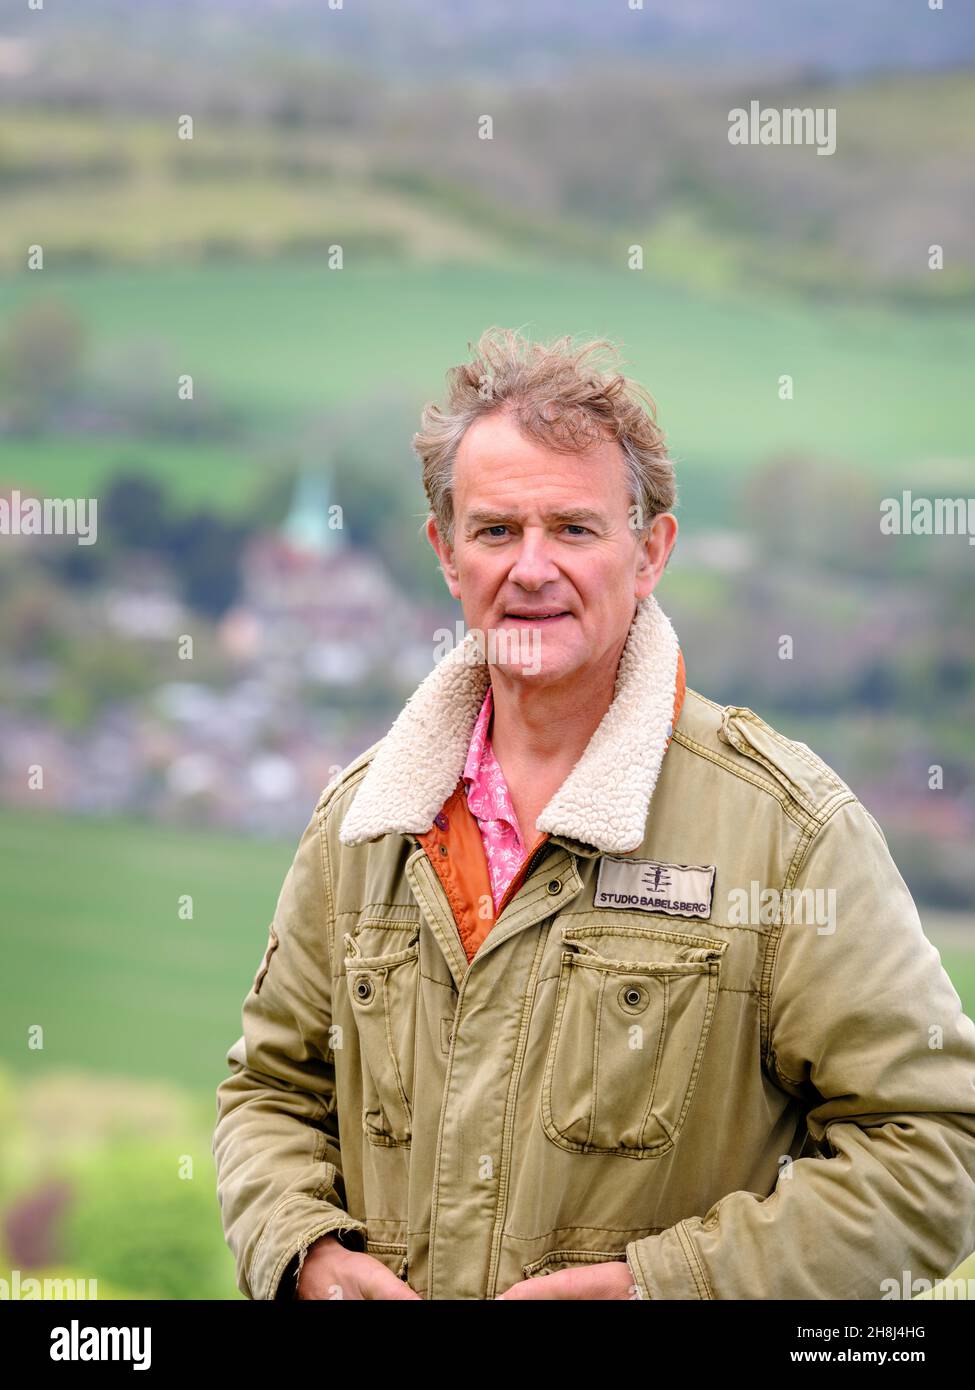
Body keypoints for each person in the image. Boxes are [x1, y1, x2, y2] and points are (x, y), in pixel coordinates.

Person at [213, 326, 975, 1300]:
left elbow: (939, 1147)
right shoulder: (362, 822)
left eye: (574, 529)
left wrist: (665, 1287)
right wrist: (301, 1249)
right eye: (496, 531)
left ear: (650, 550)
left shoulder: (788, 834)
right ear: (447, 555)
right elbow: (270, 1094)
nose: (532, 568)